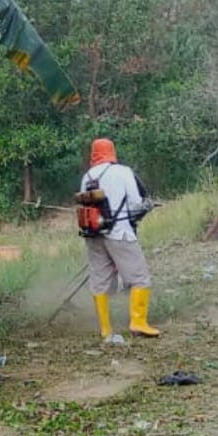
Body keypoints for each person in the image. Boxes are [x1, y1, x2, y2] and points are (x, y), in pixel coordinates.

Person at [77, 137, 159, 340]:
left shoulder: (87, 176)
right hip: (120, 232)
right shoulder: (122, 171)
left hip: (93, 233)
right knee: (139, 278)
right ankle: (138, 323)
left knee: (100, 281)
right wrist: (147, 206)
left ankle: (106, 329)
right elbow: (135, 202)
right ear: (112, 152)